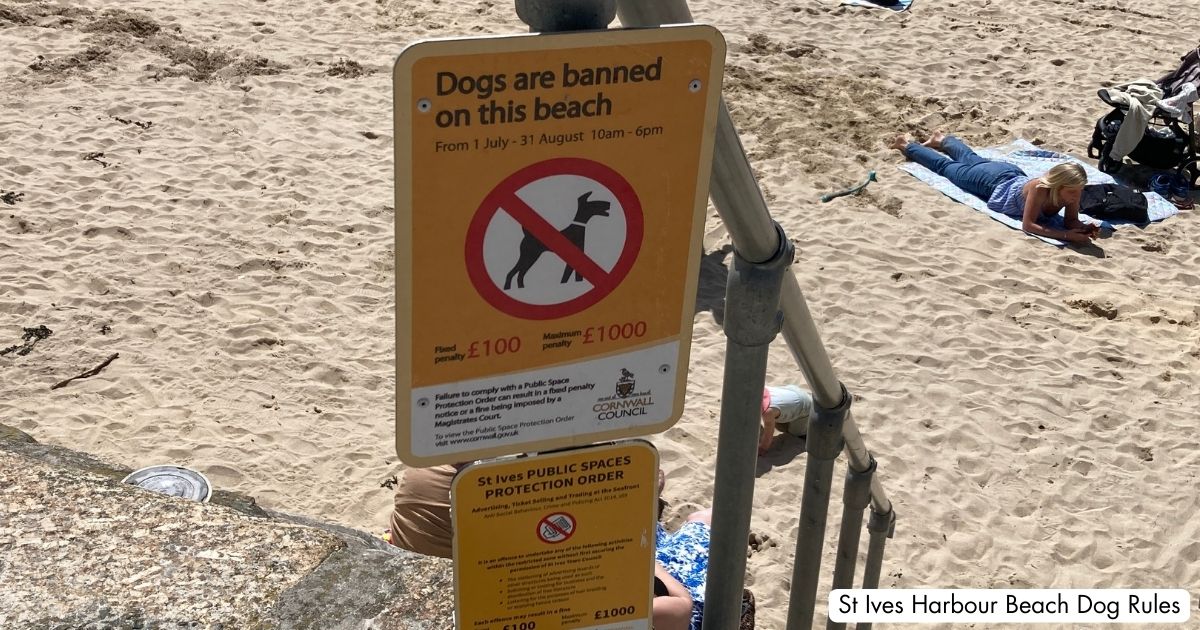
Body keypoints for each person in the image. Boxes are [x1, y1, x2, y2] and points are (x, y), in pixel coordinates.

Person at [890, 132, 1097, 244]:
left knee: (973, 159)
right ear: (1057, 185)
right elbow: (1029, 225)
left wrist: (1081, 227)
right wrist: (1066, 236)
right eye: (1072, 191)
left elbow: (1070, 220)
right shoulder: (1040, 188)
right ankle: (907, 145)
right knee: (945, 167)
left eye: (1079, 190)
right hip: (992, 182)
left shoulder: (1071, 191)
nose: (1076, 196)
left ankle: (944, 140)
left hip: (1008, 173)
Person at [759, 384, 816, 455]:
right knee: (779, 418)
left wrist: (763, 448)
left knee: (793, 432)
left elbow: (769, 432)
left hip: (805, 406)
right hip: (791, 390)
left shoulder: (768, 412)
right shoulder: (761, 389)